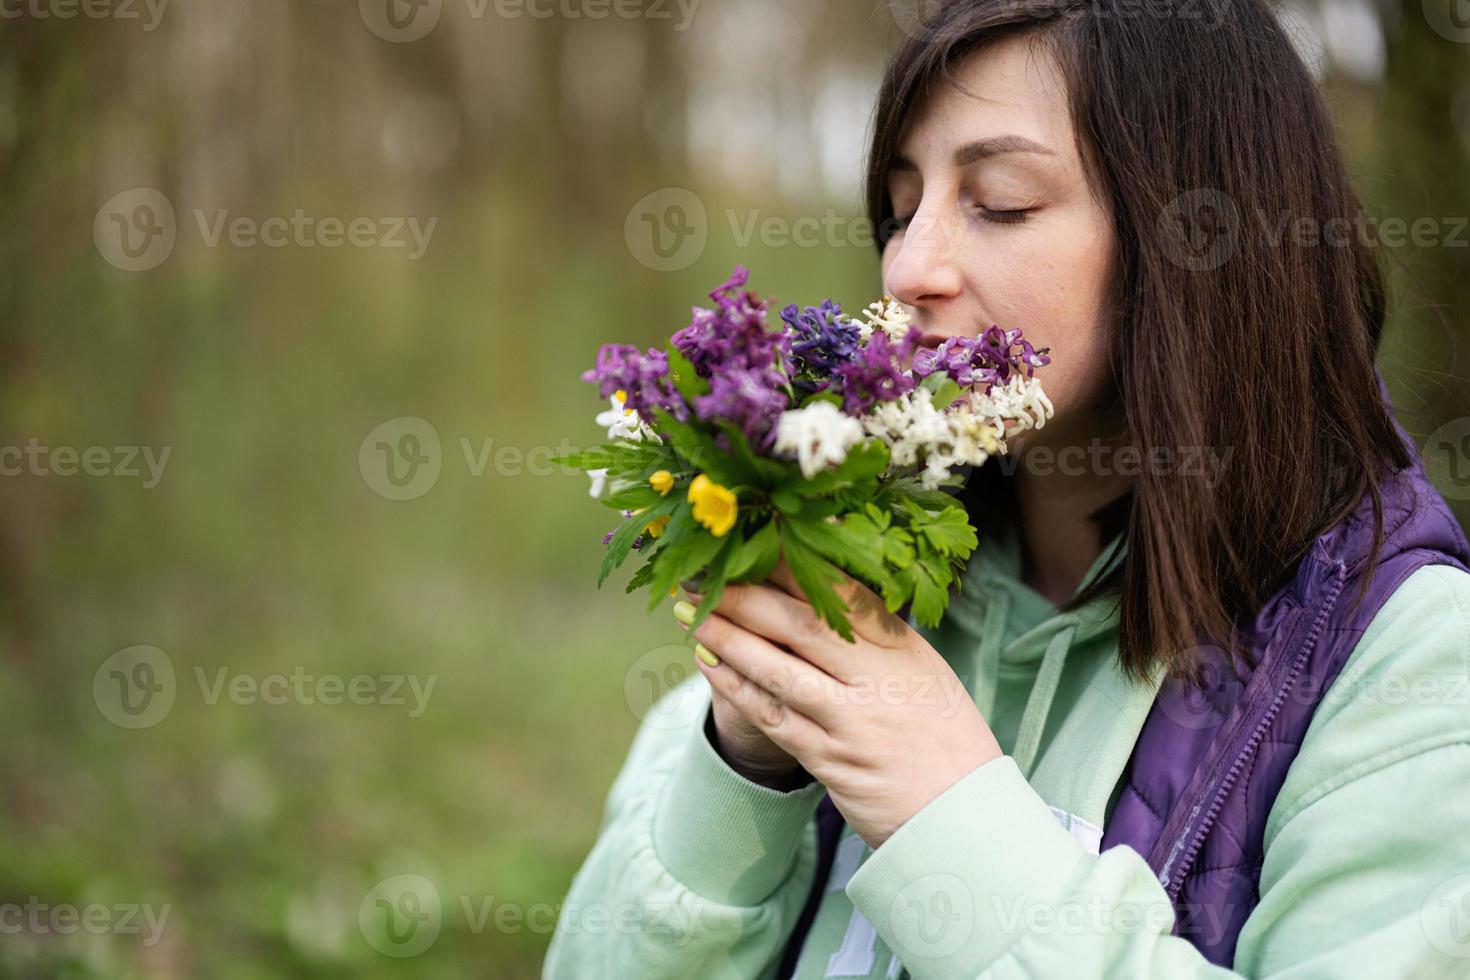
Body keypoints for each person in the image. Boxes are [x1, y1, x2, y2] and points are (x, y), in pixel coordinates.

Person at [543, 1, 1470, 976]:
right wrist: (745, 765)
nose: (909, 266)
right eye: (901, 208)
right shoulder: (836, 557)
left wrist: (948, 810)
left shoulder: (1407, 661)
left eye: (1001, 201)